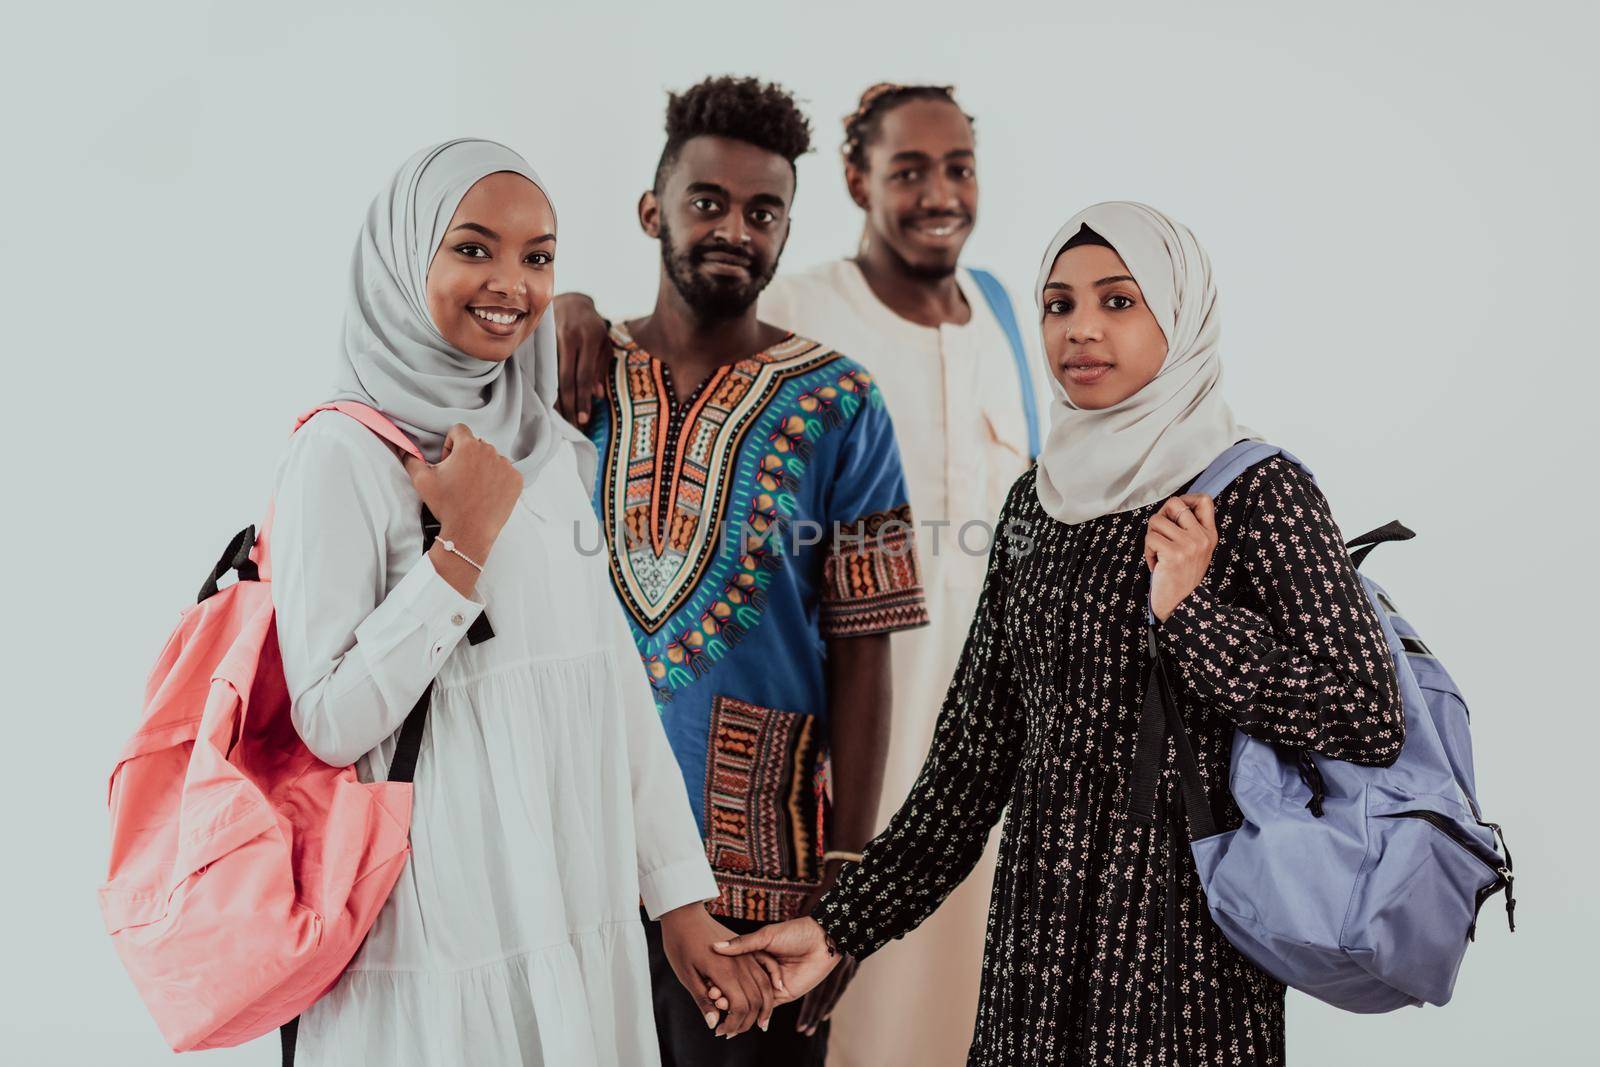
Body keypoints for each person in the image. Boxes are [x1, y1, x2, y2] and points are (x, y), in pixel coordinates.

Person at [712, 201, 1407, 1066]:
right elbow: (970, 766)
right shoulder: (1036, 504)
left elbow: (1368, 715)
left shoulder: (1258, 492)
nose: (1081, 331)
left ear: (1181, 315)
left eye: (1118, 301)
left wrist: (1191, 618)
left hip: (1185, 960)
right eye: (1058, 304)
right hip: (1036, 954)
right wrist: (837, 928)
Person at [555, 84, 1046, 1064]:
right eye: (707, 203)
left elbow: (867, 647)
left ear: (787, 226)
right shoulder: (576, 376)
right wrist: (559, 307)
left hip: (759, 875)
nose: (732, 228)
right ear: (653, 212)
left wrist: (848, 883)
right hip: (572, 854)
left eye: (762, 210)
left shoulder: (840, 401)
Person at [269, 139, 774, 1067]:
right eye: (472, 248)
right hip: (434, 925)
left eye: (537, 256)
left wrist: (677, 898)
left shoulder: (545, 444)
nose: (511, 282)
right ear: (402, 256)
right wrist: (457, 548)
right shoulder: (340, 456)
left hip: (570, 897)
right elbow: (330, 720)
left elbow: (606, 679)